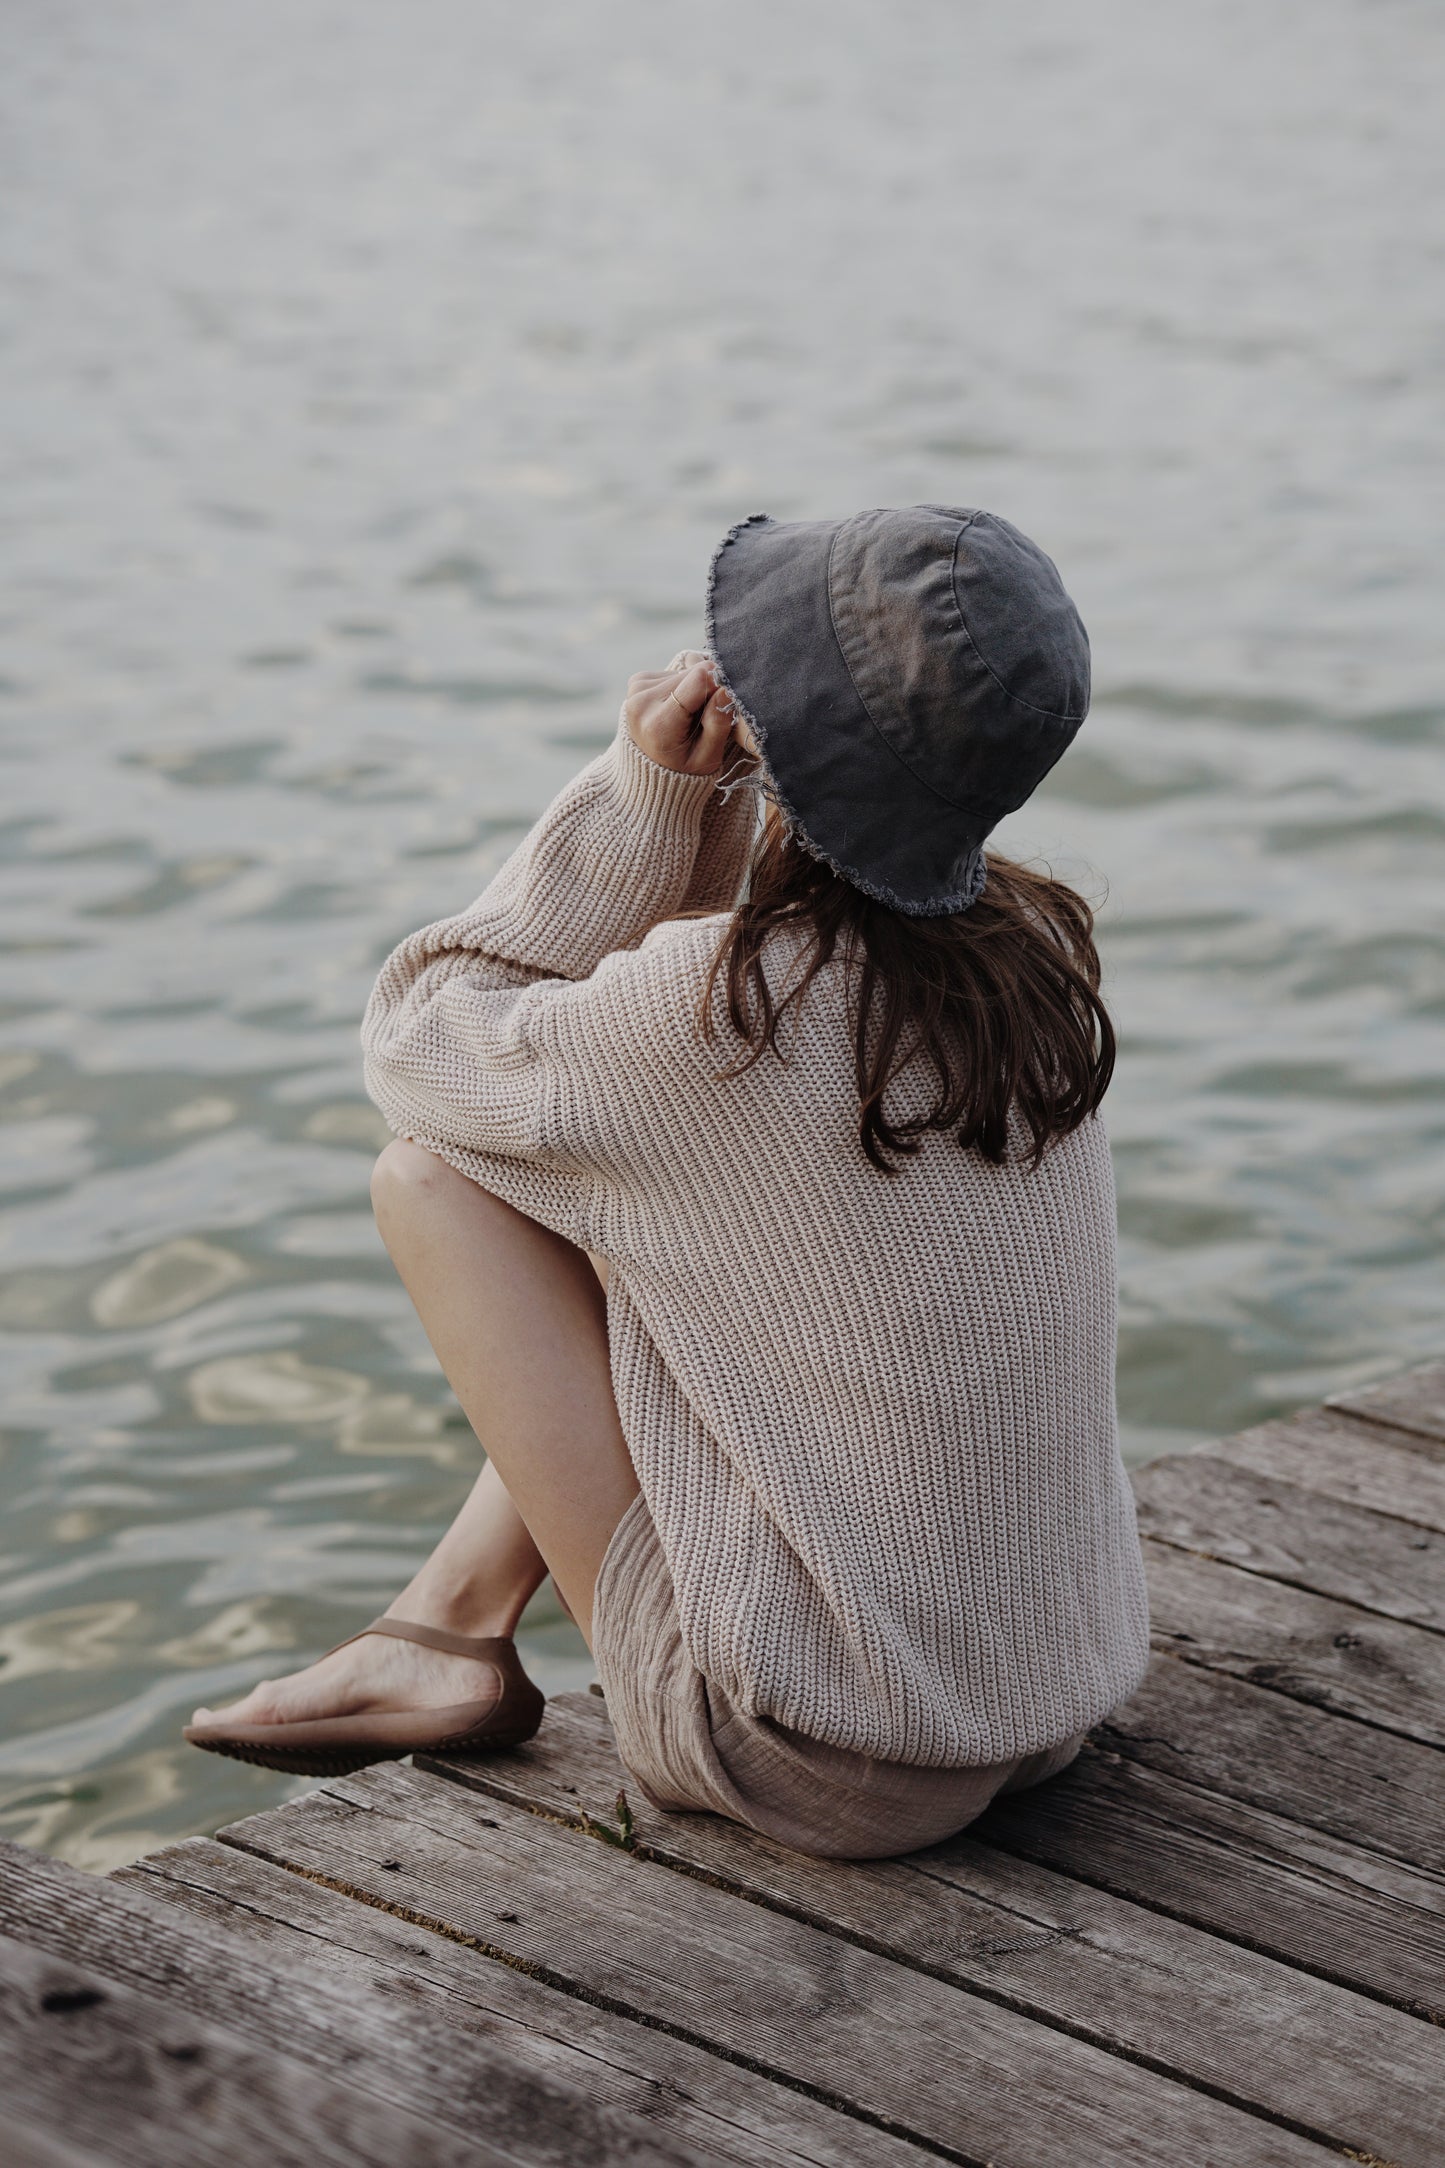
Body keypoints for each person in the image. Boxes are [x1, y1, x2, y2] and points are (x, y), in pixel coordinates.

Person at [187, 504, 1150, 1859]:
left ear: (759, 727)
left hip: (813, 1755)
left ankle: (453, 1639)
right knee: (638, 1197)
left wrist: (645, 794)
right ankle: (449, 1626)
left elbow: (414, 1035)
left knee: (437, 1180)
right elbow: (676, 1065)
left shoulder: (713, 1019)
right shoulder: (1032, 954)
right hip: (1043, 1701)